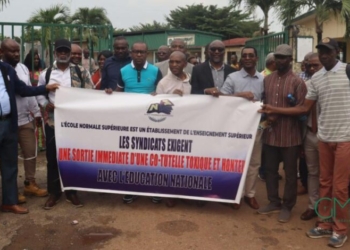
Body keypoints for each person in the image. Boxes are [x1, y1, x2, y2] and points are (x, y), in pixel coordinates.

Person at [259, 38, 349, 248]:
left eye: (328, 52)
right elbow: (303, 109)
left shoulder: (347, 71)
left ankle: (340, 229)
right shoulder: (317, 78)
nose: (324, 55)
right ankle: (324, 223)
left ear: (337, 52)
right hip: (324, 137)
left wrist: (274, 110)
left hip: (345, 137)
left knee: (341, 188)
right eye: (321, 52)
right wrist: (273, 110)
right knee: (324, 183)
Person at [0, 40, 58, 214]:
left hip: (9, 122)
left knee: (10, 164)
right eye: (13, 51)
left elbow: (24, 90)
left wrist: (45, 88)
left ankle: (10, 201)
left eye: (18, 51)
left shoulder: (8, 70)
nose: (17, 54)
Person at [36, 38, 93, 210]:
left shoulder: (81, 72)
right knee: (53, 157)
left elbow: (90, 93)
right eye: (59, 51)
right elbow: (39, 94)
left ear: (69, 53)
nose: (63, 54)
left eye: (65, 51)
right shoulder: (45, 74)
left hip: (74, 123)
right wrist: (47, 105)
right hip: (53, 121)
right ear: (55, 53)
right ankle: (54, 192)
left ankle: (71, 192)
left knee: (73, 156)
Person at [205, 46, 264, 210]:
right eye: (244, 55)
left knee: (253, 163)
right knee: (233, 162)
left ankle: (249, 195)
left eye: (251, 55)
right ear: (241, 59)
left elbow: (266, 103)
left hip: (256, 128)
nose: (247, 58)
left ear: (256, 58)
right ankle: (233, 194)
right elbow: (221, 98)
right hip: (235, 129)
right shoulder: (232, 77)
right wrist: (240, 95)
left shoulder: (263, 79)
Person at [257, 44, 307, 223]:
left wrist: (276, 111)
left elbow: (302, 109)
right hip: (270, 133)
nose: (279, 60)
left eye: (283, 57)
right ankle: (273, 201)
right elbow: (264, 103)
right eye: (277, 57)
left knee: (290, 173)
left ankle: (287, 206)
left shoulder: (297, 82)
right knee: (270, 170)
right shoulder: (267, 80)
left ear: (290, 60)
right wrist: (267, 114)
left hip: (290, 135)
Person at [116, 41, 162, 204]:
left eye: (142, 52)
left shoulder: (156, 71)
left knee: (152, 155)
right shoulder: (123, 71)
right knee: (131, 156)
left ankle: (154, 188)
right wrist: (109, 94)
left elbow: (163, 94)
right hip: (130, 121)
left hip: (151, 121)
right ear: (131, 53)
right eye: (136, 52)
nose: (139, 55)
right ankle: (131, 189)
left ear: (147, 53)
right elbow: (118, 93)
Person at [298, 52, 323, 221]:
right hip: (309, 134)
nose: (313, 68)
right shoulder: (305, 85)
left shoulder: (332, 84)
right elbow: (301, 112)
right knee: (312, 172)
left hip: (327, 135)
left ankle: (327, 209)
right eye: (310, 65)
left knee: (328, 175)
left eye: (316, 65)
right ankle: (313, 206)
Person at [23, 49, 46, 152]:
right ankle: (34, 144)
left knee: (41, 122)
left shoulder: (42, 70)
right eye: (34, 59)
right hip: (31, 100)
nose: (36, 60)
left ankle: (42, 144)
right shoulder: (26, 72)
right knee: (33, 123)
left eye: (37, 58)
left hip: (41, 100)